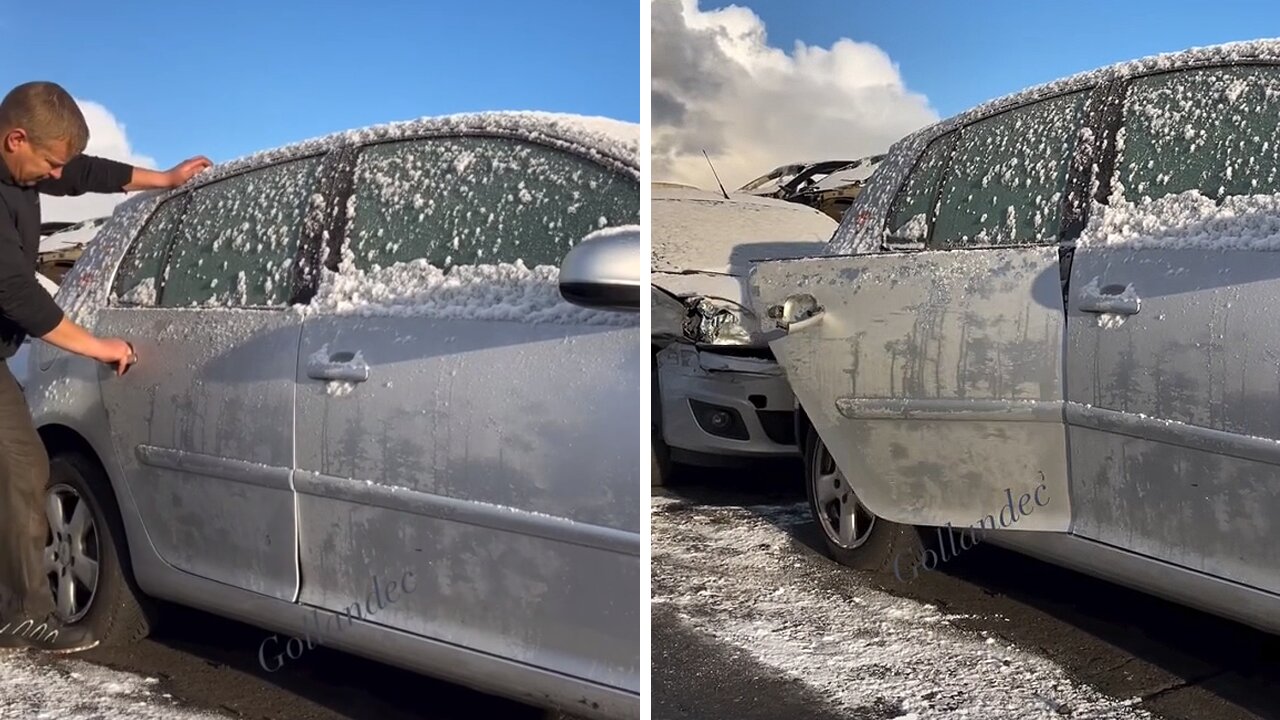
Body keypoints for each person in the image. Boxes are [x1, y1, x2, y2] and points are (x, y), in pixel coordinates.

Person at [0, 81, 210, 653]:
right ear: (15, 138)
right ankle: (20, 614)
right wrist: (99, 346)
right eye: (47, 162)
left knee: (20, 470)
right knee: (21, 472)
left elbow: (81, 172)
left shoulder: (22, 163)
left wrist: (162, 179)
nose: (53, 175)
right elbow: (15, 293)